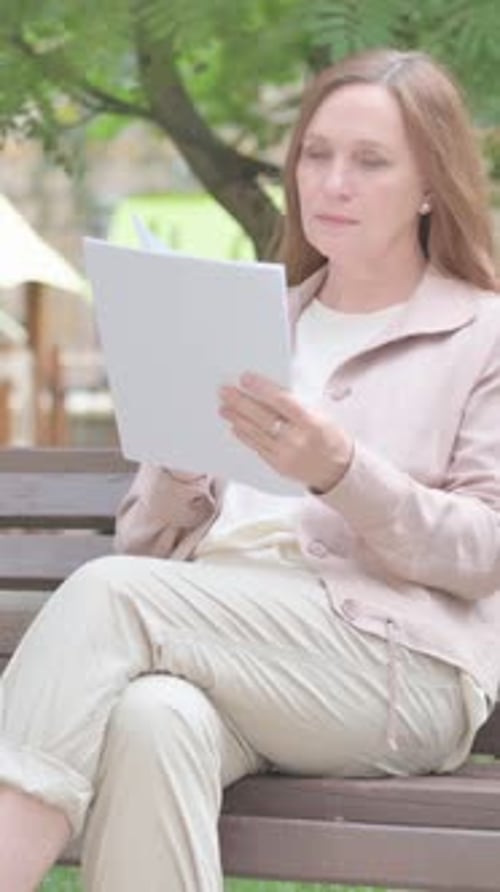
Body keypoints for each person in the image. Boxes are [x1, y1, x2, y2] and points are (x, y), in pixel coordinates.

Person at [1, 46, 500, 892]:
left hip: (389, 665)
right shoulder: (254, 317)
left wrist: (341, 470)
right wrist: (181, 461)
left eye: (369, 161)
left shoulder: (481, 333)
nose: (332, 181)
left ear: (428, 186)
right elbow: (147, 540)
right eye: (316, 153)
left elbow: (483, 551)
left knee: (109, 590)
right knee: (154, 722)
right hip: (217, 644)